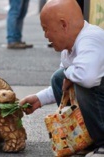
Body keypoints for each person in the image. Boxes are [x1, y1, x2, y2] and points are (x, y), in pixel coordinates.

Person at [19, 0, 104, 156]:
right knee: (59, 77)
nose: (45, 35)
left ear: (63, 25)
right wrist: (39, 99)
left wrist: (69, 73)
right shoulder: (69, 48)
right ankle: (85, 139)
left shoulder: (90, 38)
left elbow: (88, 78)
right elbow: (64, 83)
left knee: (76, 79)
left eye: (46, 29)